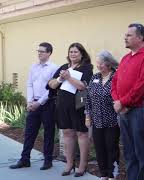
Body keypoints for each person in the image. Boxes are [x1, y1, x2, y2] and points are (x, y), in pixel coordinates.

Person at [111, 23, 144, 180]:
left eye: (129, 35)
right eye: (125, 35)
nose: (125, 37)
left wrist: (123, 102)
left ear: (140, 37)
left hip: (138, 112)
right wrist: (117, 101)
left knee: (142, 153)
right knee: (129, 153)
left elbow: (143, 85)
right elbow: (115, 81)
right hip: (123, 112)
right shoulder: (125, 58)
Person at [9, 42, 58, 170]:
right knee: (29, 132)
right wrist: (30, 101)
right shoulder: (33, 67)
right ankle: (25, 159)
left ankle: (48, 160)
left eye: (42, 51)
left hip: (48, 104)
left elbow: (52, 89)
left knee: (48, 132)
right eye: (38, 51)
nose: (39, 53)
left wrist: (39, 103)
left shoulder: (54, 68)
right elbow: (30, 84)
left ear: (49, 53)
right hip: (33, 103)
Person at [48, 42, 93, 177]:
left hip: (79, 105)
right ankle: (69, 163)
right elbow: (51, 84)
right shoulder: (63, 67)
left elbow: (82, 87)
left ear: (82, 54)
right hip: (63, 105)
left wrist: (68, 77)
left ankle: (82, 165)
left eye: (76, 52)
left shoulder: (87, 67)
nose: (73, 54)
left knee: (82, 134)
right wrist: (61, 78)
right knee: (67, 133)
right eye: (71, 52)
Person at [85, 50, 120, 180]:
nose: (99, 66)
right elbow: (88, 98)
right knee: (99, 148)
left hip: (112, 120)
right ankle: (103, 174)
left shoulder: (116, 77)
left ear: (109, 64)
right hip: (97, 120)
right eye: (98, 63)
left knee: (111, 148)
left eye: (101, 63)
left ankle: (112, 174)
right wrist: (87, 116)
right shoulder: (95, 77)